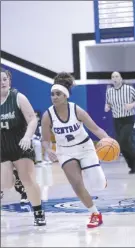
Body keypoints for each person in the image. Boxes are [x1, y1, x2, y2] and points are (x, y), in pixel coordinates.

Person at [41, 72, 110, 228]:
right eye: (52, 94)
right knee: (77, 184)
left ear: (65, 96)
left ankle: (101, 180)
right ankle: (95, 213)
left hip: (85, 148)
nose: (54, 97)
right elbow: (45, 140)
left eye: (58, 94)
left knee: (98, 184)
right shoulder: (48, 115)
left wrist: (108, 141)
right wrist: (48, 149)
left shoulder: (77, 110)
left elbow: (96, 129)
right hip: (65, 152)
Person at [1, 68, 46, 225]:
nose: (2, 82)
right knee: (5, 183)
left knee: (27, 179)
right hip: (2, 147)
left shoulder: (18, 97)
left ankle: (39, 213)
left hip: (21, 144)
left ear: (9, 81)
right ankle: (14, 173)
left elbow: (32, 119)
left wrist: (28, 137)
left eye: (4, 79)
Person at [105, 71, 135, 174]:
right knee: (121, 145)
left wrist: (132, 105)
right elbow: (108, 103)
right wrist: (107, 107)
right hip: (116, 120)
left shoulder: (128, 89)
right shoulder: (109, 91)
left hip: (128, 119)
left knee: (124, 140)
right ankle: (132, 165)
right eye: (113, 77)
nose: (115, 78)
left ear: (121, 78)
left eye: (117, 76)